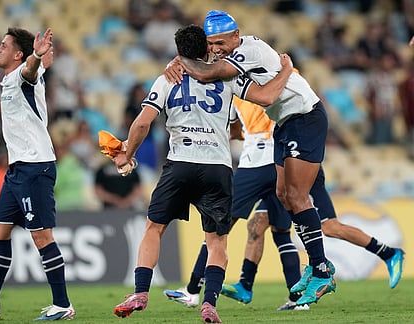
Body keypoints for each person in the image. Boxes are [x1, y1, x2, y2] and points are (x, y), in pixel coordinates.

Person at [112, 24, 293, 323]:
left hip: (179, 164)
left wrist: (126, 155)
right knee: (217, 241)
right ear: (208, 48)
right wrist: (287, 70)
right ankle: (209, 304)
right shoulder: (229, 78)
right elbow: (263, 99)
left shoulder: (167, 79)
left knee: (154, 229)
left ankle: (140, 293)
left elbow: (143, 123)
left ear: (179, 52)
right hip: (217, 168)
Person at [165, 10, 335, 306]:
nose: (215, 49)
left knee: (296, 197)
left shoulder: (250, 51)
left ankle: (321, 269)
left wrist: (179, 61)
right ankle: (316, 266)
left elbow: (212, 76)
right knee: (284, 196)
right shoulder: (229, 51)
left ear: (236, 35)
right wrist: (178, 61)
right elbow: (204, 63)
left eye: (220, 42)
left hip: (305, 117)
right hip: (284, 123)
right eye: (211, 44)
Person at [0, 27, 75, 321]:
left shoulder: (24, 75)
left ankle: (63, 305)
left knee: (42, 237)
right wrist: (41, 57)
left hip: (36, 167)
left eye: (3, 45)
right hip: (17, 168)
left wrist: (36, 55)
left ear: (18, 54)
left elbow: (33, 70)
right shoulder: (9, 80)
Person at [164, 97, 306, 311]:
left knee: (219, 226)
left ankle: (192, 290)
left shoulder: (239, 92)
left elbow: (231, 127)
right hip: (280, 162)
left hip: (255, 163)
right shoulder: (275, 85)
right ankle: (298, 300)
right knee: (282, 232)